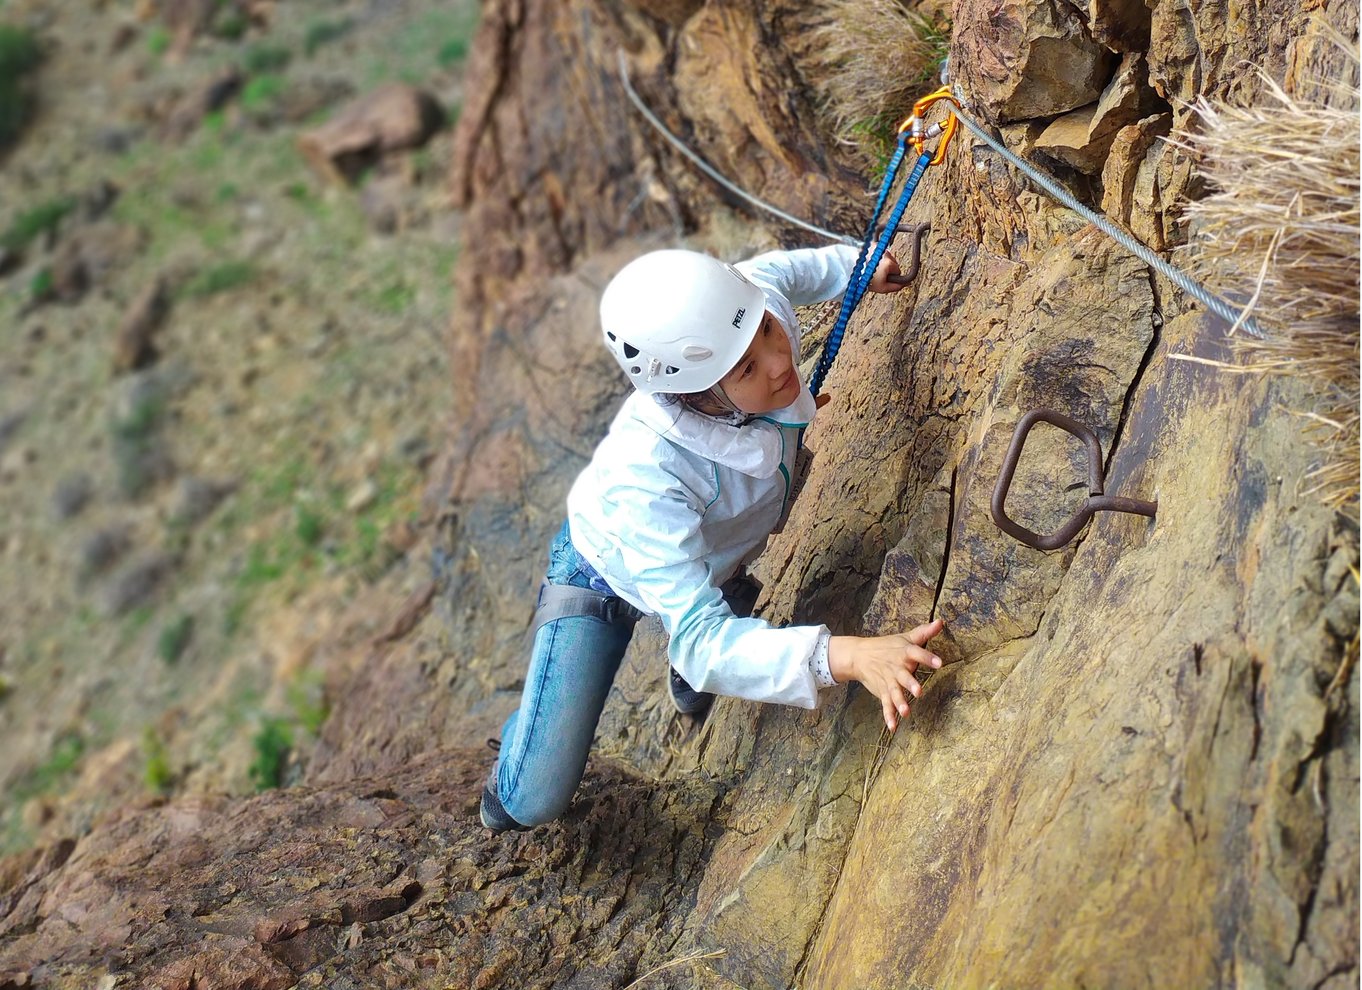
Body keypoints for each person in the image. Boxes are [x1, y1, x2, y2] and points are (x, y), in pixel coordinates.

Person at [480, 244, 947, 831]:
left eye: (770, 332)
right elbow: (701, 642)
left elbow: (779, 272)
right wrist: (849, 656)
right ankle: (524, 746)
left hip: (711, 552)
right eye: (747, 370)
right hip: (600, 573)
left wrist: (857, 265)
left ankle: (697, 658)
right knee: (531, 802)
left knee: (702, 651)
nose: (779, 362)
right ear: (693, 399)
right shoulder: (648, 474)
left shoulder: (740, 314)